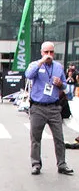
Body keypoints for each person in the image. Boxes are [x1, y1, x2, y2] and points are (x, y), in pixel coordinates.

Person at [25, 41, 74, 175]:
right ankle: (36, 164)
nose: (49, 55)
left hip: (53, 107)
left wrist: (60, 84)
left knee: (59, 138)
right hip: (38, 107)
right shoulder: (35, 65)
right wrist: (41, 61)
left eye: (51, 52)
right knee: (36, 138)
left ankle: (62, 164)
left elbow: (64, 85)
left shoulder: (58, 67)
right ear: (41, 52)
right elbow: (28, 75)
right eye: (46, 52)